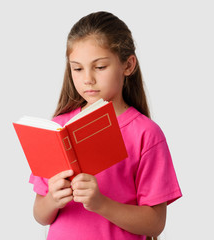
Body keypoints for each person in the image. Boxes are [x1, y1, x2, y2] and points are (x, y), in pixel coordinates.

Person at [29, 11, 182, 240]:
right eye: (77, 68)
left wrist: (101, 204)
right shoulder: (58, 129)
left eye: (99, 67)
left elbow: (155, 223)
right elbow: (40, 214)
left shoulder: (145, 134)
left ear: (128, 65)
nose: (87, 78)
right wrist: (52, 199)